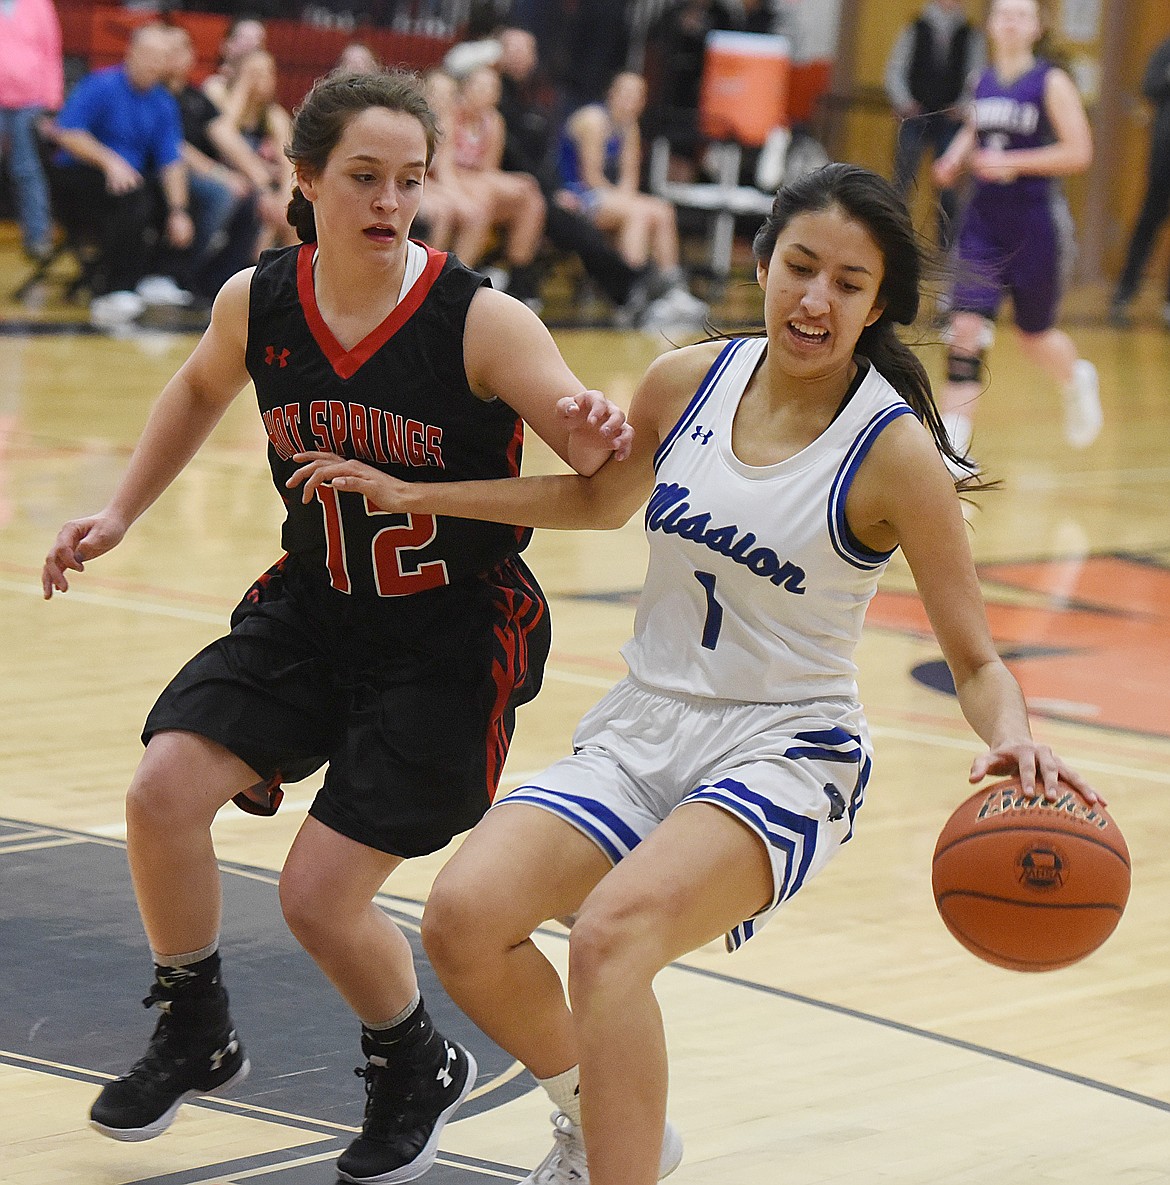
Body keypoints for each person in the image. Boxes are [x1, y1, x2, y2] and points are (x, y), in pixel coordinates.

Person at [284, 161, 1101, 1185]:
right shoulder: (687, 380)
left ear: (879, 303)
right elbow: (594, 504)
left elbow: (975, 657)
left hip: (785, 746)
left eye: (848, 283)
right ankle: (601, 1122)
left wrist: (1014, 732)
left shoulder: (894, 454)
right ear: (761, 262)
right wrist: (424, 495)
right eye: (800, 267)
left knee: (611, 939)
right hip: (645, 724)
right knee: (463, 922)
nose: (816, 298)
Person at [41, 67, 631, 1185]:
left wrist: (587, 422)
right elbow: (197, 388)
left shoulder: (483, 320)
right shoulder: (257, 299)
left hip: (451, 635)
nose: (388, 202)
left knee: (318, 897)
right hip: (317, 602)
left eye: (409, 180)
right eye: (363, 177)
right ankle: (192, 1025)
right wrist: (118, 512)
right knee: (161, 790)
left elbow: (600, 478)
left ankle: (413, 1064)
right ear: (302, 178)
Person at [931, 0, 1101, 469]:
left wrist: (1013, 163)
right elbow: (976, 128)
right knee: (965, 325)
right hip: (982, 221)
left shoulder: (1051, 81)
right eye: (1003, 13)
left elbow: (1079, 151)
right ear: (989, 23)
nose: (1010, 22)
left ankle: (1077, 379)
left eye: (1021, 14)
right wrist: (954, 159)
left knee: (1034, 335)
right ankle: (954, 445)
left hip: (1035, 222)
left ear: (1036, 26)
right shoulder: (981, 79)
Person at [49, 22, 195, 326]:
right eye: (150, 55)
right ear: (131, 53)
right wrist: (109, 161)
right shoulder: (100, 85)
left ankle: (156, 276)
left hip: (131, 181)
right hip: (80, 176)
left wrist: (179, 211)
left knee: (179, 197)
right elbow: (67, 133)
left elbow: (171, 161)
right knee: (133, 196)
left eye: (161, 57)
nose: (155, 63)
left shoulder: (163, 103)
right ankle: (113, 289)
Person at [558, 70, 707, 324]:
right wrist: (627, 201)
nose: (631, 101)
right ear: (611, 94)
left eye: (637, 96)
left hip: (609, 197)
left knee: (662, 210)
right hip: (576, 196)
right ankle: (631, 292)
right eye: (625, 93)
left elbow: (629, 180)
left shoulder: (629, 127)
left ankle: (672, 288)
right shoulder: (594, 120)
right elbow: (591, 177)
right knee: (638, 213)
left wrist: (626, 199)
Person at [884, 0, 985, 250]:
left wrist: (962, 107)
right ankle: (895, 245)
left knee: (949, 189)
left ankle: (947, 250)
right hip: (916, 116)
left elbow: (977, 76)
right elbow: (895, 69)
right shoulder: (916, 27)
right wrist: (905, 102)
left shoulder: (971, 35)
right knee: (902, 184)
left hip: (951, 120)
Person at [449, 62, 547, 302]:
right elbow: (443, 167)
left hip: (477, 179)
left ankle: (518, 277)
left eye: (493, 87)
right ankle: (456, 281)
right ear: (466, 88)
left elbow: (488, 170)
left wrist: (519, 182)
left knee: (531, 195)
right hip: (449, 179)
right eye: (482, 86)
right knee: (484, 200)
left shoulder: (493, 121)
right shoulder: (451, 115)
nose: (488, 92)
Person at [1110, 33, 1170, 328]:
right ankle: (1124, 292)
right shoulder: (1165, 49)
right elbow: (1149, 87)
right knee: (1148, 225)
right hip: (1164, 158)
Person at [0, 0, 63, 262]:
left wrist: (52, 101)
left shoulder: (39, 4)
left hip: (30, 102)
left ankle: (38, 237)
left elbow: (51, 50)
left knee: (27, 169)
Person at [202, 15, 267, 113]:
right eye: (246, 39)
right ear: (226, 45)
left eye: (259, 40)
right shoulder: (214, 86)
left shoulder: (261, 90)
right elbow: (225, 122)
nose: (254, 45)